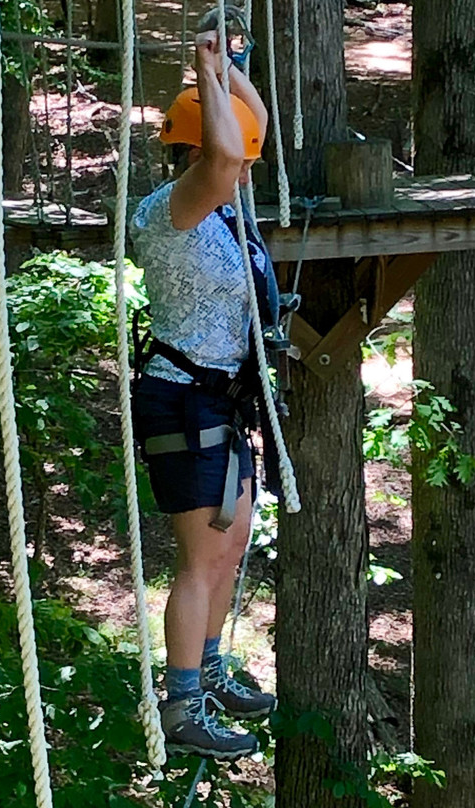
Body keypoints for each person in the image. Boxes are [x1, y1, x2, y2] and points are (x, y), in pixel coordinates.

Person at [129, 29, 277, 761]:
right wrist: (201, 73)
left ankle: (210, 669)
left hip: (218, 399)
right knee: (199, 559)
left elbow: (251, 138)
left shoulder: (220, 205)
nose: (248, 167)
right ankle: (181, 702)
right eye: (234, 154)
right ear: (197, 149)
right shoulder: (177, 210)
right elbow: (226, 156)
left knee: (230, 549)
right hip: (183, 399)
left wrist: (226, 77)